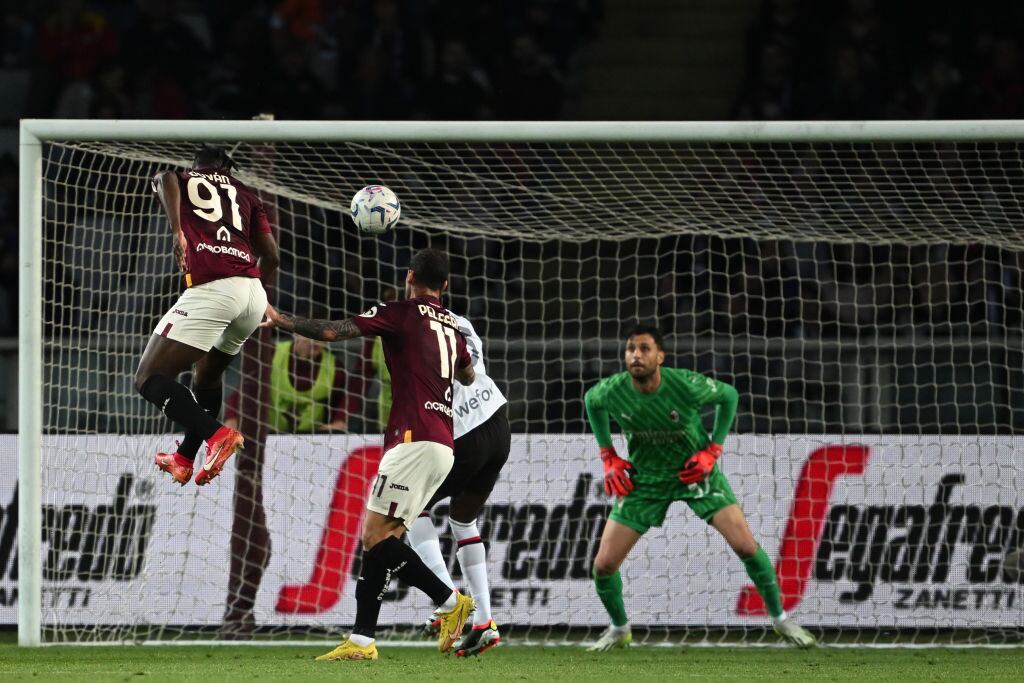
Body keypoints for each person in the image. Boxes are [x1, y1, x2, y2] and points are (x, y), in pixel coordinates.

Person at [262, 248, 476, 661]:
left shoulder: (400, 311)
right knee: (385, 539)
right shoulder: (452, 325)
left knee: (375, 537)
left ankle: (451, 602)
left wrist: (282, 318)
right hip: (442, 443)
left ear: (409, 276)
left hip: (414, 441)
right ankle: (362, 640)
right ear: (445, 286)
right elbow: (467, 373)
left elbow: (334, 332)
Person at [583, 324, 816, 650]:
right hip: (646, 480)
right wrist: (608, 455)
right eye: (631, 349)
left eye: (645, 348)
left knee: (746, 547)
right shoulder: (612, 390)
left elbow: (729, 396)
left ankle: (780, 620)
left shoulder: (685, 385)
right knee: (603, 566)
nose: (636, 355)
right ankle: (620, 628)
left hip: (696, 475)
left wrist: (713, 451)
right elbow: (591, 401)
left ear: (660, 356)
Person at [135, 145, 279, 487]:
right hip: (253, 294)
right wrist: (260, 297)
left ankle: (217, 435)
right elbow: (272, 257)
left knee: (148, 377)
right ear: (227, 167)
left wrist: (177, 231)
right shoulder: (246, 195)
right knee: (206, 380)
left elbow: (163, 176)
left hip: (214, 289)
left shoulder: (183, 178)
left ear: (197, 164)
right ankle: (184, 457)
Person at [407, 312, 510, 657]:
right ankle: (485, 622)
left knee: (409, 506)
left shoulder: (414, 326)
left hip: (462, 430)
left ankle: (447, 600)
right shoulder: (459, 320)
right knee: (463, 520)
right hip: (497, 420)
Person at [223, 328, 356, 434]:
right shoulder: (272, 353)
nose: (316, 342)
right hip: (270, 436)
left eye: (322, 338)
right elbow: (244, 389)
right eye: (311, 335)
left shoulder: (335, 367)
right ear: (296, 333)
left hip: (314, 438)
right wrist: (232, 418)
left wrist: (339, 421)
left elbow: (342, 400)